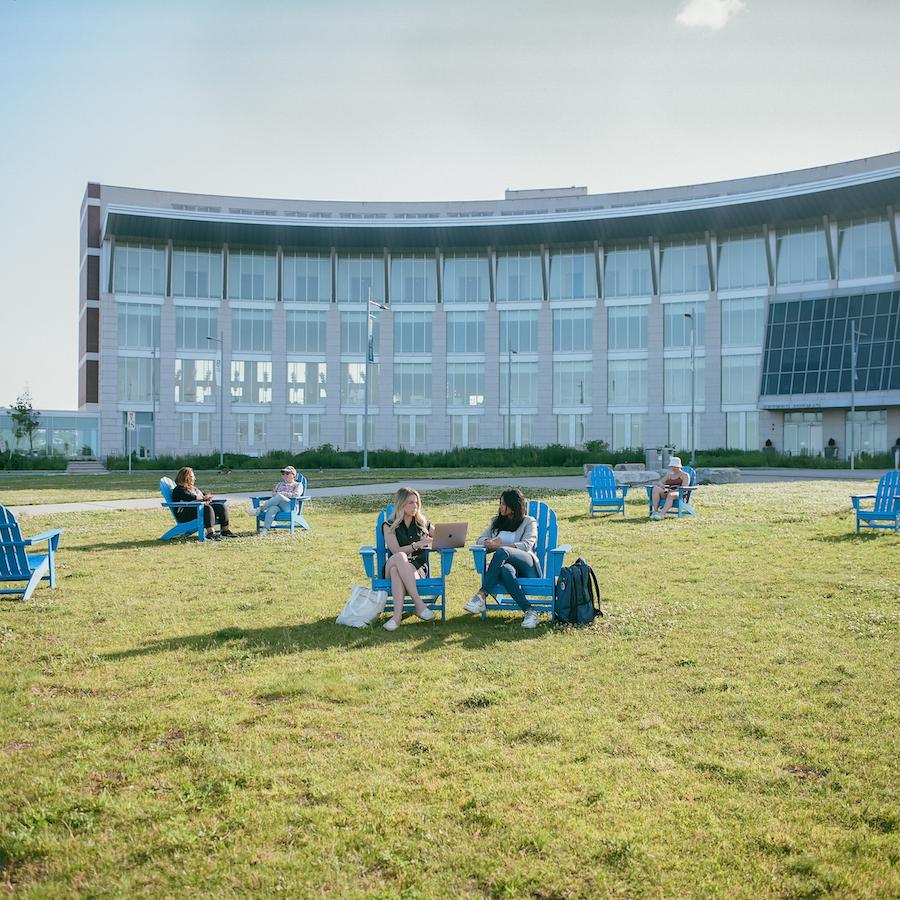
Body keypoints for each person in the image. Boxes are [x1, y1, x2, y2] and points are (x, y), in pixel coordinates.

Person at [464, 489, 542, 629]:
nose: (500, 506)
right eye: (500, 503)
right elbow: (480, 540)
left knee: (502, 551)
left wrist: (499, 545)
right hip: (507, 565)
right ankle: (530, 612)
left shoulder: (528, 522)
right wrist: (489, 541)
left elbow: (526, 545)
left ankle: (482, 594)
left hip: (527, 565)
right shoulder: (497, 522)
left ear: (513, 505)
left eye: (504, 504)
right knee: (505, 570)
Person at [381, 487, 437, 632]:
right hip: (394, 561)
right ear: (401, 504)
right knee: (400, 558)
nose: (415, 506)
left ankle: (396, 617)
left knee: (396, 572)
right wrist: (416, 545)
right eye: (411, 503)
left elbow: (442, 536)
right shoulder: (389, 525)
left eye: (417, 503)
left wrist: (433, 541)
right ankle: (419, 604)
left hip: (416, 568)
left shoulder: (423, 524)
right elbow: (396, 551)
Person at [171, 466, 237, 540]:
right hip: (184, 515)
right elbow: (190, 497)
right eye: (192, 477)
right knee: (206, 508)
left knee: (221, 506)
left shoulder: (193, 489)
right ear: (186, 478)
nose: (194, 479)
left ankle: (225, 531)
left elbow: (202, 495)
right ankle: (211, 533)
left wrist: (207, 497)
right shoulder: (179, 490)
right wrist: (203, 498)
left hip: (196, 510)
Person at [256, 465, 304, 535]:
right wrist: (280, 495)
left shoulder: (298, 485)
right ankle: (265, 530)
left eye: (287, 473)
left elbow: (296, 495)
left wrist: (282, 494)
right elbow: (273, 494)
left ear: (293, 475)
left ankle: (260, 509)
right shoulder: (279, 484)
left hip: (291, 507)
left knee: (279, 496)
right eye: (283, 473)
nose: (285, 475)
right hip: (279, 506)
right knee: (273, 508)